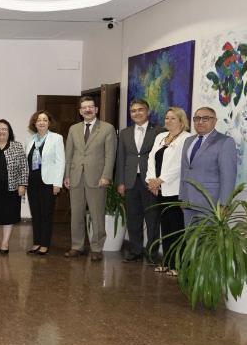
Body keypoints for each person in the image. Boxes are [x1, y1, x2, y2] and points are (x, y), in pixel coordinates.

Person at [63, 96, 117, 261]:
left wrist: (106, 176)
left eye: (90, 107)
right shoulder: (73, 129)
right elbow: (69, 154)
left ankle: (97, 248)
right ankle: (77, 246)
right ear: (80, 111)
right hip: (76, 177)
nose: (87, 110)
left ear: (96, 109)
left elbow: (110, 155)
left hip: (97, 178)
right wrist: (67, 175)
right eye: (84, 107)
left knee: (97, 214)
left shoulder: (107, 128)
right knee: (76, 214)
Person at [115, 99, 165, 263]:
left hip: (150, 182)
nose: (137, 113)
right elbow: (121, 158)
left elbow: (162, 159)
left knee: (152, 220)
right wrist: (120, 182)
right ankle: (135, 250)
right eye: (133, 111)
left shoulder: (159, 131)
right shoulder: (125, 133)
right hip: (130, 181)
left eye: (140, 110)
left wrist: (158, 180)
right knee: (133, 219)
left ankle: (151, 254)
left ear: (147, 112)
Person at [145, 107, 191, 276]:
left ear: (181, 121)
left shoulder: (187, 138)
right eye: (166, 118)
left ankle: (178, 264)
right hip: (159, 190)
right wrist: (151, 181)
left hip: (175, 189)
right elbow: (151, 158)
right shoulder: (161, 137)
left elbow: (181, 165)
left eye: (173, 118)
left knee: (177, 228)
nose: (168, 121)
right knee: (165, 227)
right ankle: (167, 261)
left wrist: (160, 180)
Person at [180, 106, 238, 225]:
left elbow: (228, 176)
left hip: (211, 204)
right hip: (188, 202)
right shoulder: (188, 141)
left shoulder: (225, 142)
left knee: (207, 237)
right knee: (189, 235)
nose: (200, 122)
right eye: (197, 118)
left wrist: (224, 204)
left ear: (214, 121)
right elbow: (184, 171)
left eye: (205, 118)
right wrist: (182, 197)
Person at [0, 119, 27, 254]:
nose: (1, 131)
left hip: (11, 187)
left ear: (9, 132)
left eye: (4, 129)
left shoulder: (17, 146)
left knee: (9, 215)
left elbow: (24, 167)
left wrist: (22, 184)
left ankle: (5, 243)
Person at [24, 110, 65, 255]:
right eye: (39, 120)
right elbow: (26, 162)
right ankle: (37, 242)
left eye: (45, 120)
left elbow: (60, 161)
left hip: (48, 182)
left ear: (49, 123)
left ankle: (45, 244)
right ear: (34, 123)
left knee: (46, 214)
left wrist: (57, 183)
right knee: (36, 213)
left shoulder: (56, 138)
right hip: (32, 182)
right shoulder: (30, 139)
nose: (41, 122)